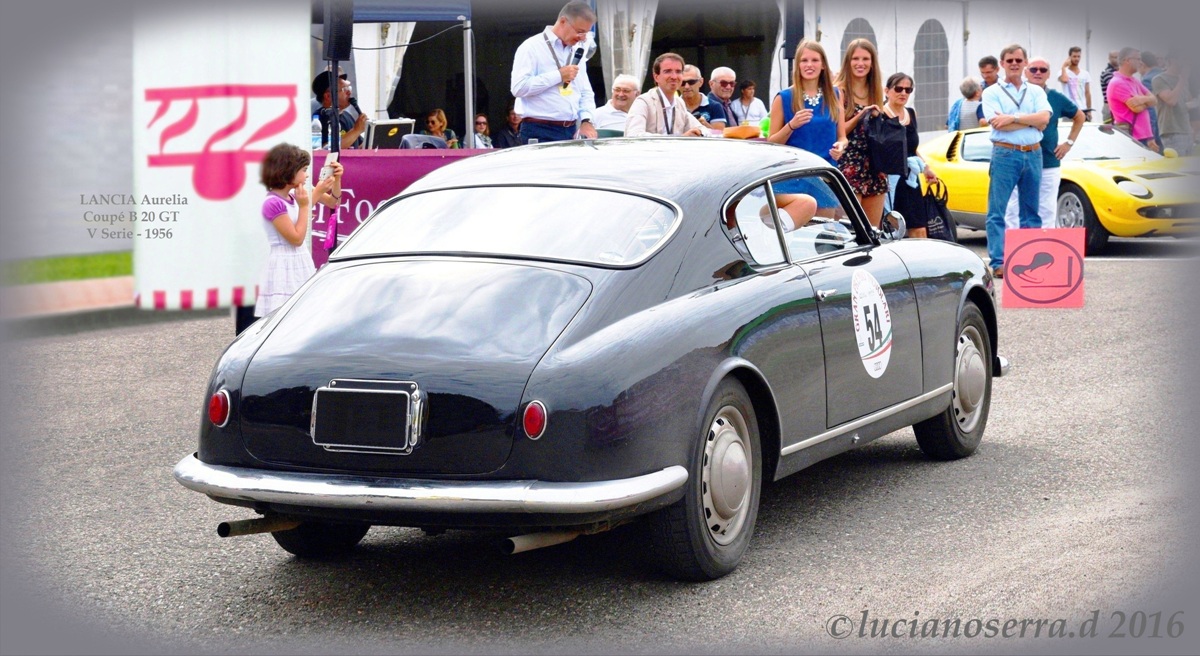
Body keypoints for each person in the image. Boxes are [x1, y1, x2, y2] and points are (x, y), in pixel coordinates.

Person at [981, 44, 1051, 278]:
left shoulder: (1036, 91)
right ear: (1002, 64)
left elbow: (1044, 119)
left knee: (1031, 211)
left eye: (1018, 60)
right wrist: (1031, 121)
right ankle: (999, 262)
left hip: (1033, 153)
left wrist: (1013, 118)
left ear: (1025, 63)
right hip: (1005, 153)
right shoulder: (992, 92)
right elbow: (998, 124)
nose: (1014, 64)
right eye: (1009, 60)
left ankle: (1030, 259)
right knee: (997, 210)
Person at [252, 143, 342, 322]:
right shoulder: (273, 202)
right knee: (283, 317)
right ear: (289, 171)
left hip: (300, 261)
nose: (307, 175)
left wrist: (337, 180)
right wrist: (305, 206)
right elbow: (296, 238)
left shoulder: (295, 194)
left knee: (304, 315)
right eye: (304, 170)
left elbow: (333, 202)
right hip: (283, 265)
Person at [767, 39, 846, 230]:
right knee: (792, 236)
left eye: (814, 60)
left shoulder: (835, 95)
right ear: (797, 65)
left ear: (823, 65)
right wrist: (791, 125)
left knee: (822, 235)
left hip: (824, 174)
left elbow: (842, 136)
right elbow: (771, 143)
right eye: (804, 60)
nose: (809, 65)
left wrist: (841, 146)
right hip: (793, 176)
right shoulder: (784, 97)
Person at [1005, 56, 1085, 230]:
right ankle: (1013, 244)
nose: (1038, 73)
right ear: (1026, 71)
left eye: (1043, 70)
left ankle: (1045, 242)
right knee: (1013, 208)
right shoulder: (1014, 95)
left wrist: (1068, 143)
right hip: (1017, 159)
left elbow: (1080, 116)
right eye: (1033, 69)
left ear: (1049, 74)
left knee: (1046, 209)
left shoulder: (1055, 97)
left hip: (1048, 162)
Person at [510, 1, 598, 143]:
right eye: (580, 31)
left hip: (570, 130)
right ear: (563, 21)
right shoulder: (531, 47)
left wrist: (587, 120)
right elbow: (519, 88)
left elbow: (585, 91)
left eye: (586, 34)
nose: (582, 38)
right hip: (539, 130)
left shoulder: (577, 50)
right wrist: (559, 75)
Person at [834, 38, 887, 226]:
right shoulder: (839, 91)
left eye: (865, 59)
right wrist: (861, 115)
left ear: (872, 63)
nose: (860, 63)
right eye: (855, 59)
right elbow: (839, 131)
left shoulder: (876, 91)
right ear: (848, 61)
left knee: (873, 231)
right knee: (848, 230)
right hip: (849, 164)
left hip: (875, 166)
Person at [881, 73, 938, 238]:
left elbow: (912, 147)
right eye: (898, 89)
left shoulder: (911, 113)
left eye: (908, 90)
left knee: (919, 227)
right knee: (893, 230)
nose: (903, 93)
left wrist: (926, 167)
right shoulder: (880, 114)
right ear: (887, 91)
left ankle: (921, 255)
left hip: (910, 179)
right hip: (889, 178)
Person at [624, 53, 705, 137]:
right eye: (668, 71)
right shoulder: (643, 102)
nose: (674, 77)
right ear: (656, 77)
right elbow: (633, 135)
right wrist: (680, 139)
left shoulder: (679, 103)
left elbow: (702, 129)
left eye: (678, 71)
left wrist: (699, 132)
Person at [1108, 47, 1158, 151]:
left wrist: (1141, 100)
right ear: (1127, 60)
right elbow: (1137, 109)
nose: (1141, 62)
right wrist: (1147, 100)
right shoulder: (1118, 83)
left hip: (1142, 137)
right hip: (1131, 138)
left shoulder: (1134, 80)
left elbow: (1155, 100)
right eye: (1138, 59)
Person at [1152, 49, 1194, 156]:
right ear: (1171, 60)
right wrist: (1183, 80)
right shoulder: (1159, 79)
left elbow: (1185, 103)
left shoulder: (1183, 80)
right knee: (1178, 164)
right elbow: (1171, 101)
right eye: (1183, 59)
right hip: (1172, 130)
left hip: (1187, 129)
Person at [312, 72, 367, 150]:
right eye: (344, 89)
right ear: (328, 96)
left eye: (349, 88)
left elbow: (359, 146)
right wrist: (356, 130)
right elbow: (325, 149)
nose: (349, 92)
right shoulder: (319, 119)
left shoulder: (347, 116)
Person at [1139, 51, 1165, 151]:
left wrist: (1150, 134)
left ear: (1142, 64)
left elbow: (1150, 109)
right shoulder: (1166, 74)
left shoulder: (1147, 80)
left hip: (1158, 126)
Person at [1058, 46, 1092, 116]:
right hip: (1068, 109)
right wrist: (1063, 66)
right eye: (1074, 56)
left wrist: (1089, 110)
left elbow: (1087, 92)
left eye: (1078, 56)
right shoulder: (1062, 72)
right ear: (1069, 57)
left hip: (1082, 109)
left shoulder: (1085, 74)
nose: (1077, 59)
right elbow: (1064, 79)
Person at [1100, 50, 1119, 123]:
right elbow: (1116, 88)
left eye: (1118, 57)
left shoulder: (1120, 71)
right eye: (1115, 57)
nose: (1117, 59)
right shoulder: (1107, 72)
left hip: (1118, 105)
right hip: (1109, 105)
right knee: (1109, 127)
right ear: (1109, 58)